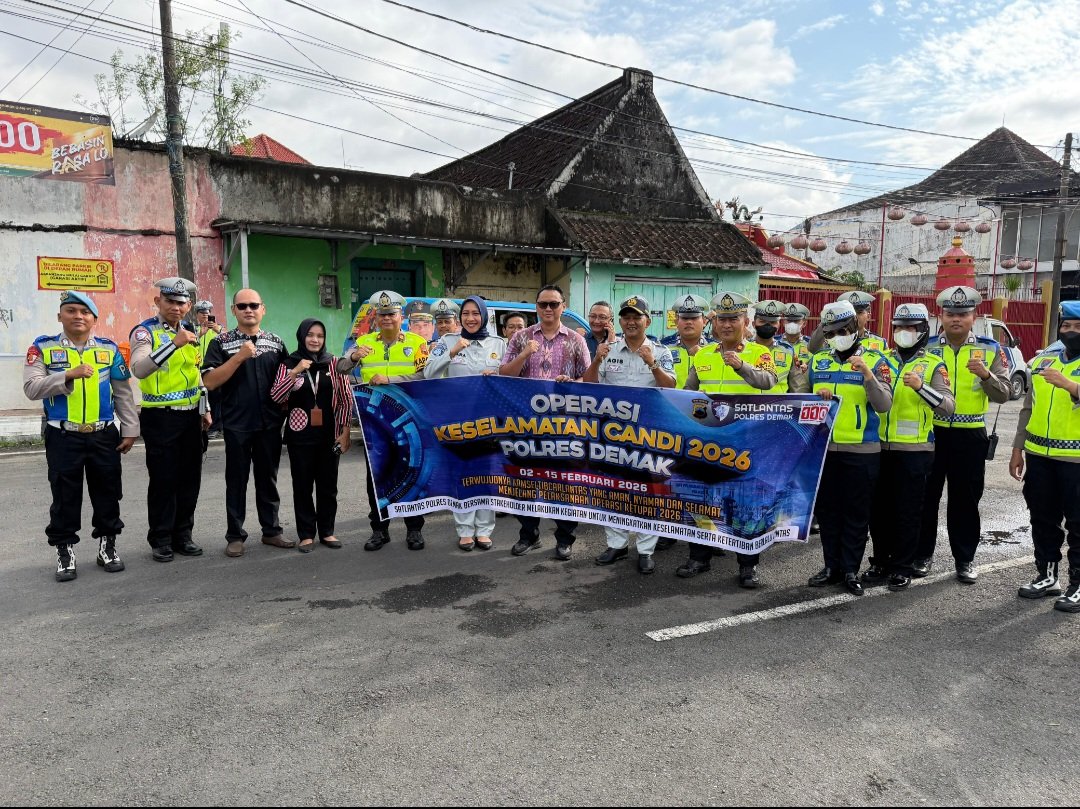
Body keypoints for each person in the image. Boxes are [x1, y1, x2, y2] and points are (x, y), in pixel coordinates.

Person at [23, 290, 138, 582]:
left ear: (94, 319)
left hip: (103, 434)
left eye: (85, 312)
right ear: (60, 316)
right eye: (71, 311)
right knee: (64, 495)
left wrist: (130, 429)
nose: (78, 316)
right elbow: (32, 388)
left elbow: (123, 393)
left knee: (108, 492)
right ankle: (65, 551)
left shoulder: (109, 350)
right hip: (63, 435)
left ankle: (107, 546)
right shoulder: (43, 348)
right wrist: (67, 375)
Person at [790, 301, 894, 596]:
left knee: (856, 514)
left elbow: (884, 405)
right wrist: (815, 397)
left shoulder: (876, 359)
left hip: (862, 450)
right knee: (829, 511)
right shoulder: (819, 361)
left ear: (856, 327)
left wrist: (868, 376)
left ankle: (850, 568)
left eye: (844, 329)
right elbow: (800, 401)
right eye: (832, 331)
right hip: (824, 450)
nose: (839, 335)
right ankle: (831, 566)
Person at [678, 291, 777, 587]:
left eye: (733, 318)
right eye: (721, 319)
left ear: (745, 321)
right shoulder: (704, 353)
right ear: (714, 323)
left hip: (746, 440)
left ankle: (748, 565)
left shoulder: (760, 352)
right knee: (704, 500)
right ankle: (699, 556)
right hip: (708, 441)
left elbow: (768, 381)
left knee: (746, 504)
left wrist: (741, 366)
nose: (727, 325)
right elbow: (688, 391)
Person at [915, 285, 1010, 583]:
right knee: (925, 498)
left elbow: (1004, 394)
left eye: (963, 314)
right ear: (940, 316)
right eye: (950, 313)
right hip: (931, 433)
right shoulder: (926, 348)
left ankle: (965, 559)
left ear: (974, 316)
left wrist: (985, 375)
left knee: (966, 500)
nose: (956, 319)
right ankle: (922, 555)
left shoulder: (991, 349)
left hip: (970, 436)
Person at [865, 303, 954, 591]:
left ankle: (902, 566)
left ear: (923, 331)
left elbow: (948, 407)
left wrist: (920, 387)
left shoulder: (933, 365)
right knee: (879, 510)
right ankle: (880, 561)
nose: (903, 332)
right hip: (879, 446)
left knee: (907, 511)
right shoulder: (881, 361)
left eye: (910, 327)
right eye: (899, 327)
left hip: (915, 451)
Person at [584, 295, 675, 573]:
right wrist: (597, 361)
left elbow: (671, 388)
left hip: (650, 436)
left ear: (647, 320)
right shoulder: (607, 349)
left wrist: (652, 363)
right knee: (613, 489)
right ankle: (617, 545)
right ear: (620, 321)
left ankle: (646, 550)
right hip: (614, 435)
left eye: (637, 317)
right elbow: (589, 385)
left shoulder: (660, 352)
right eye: (626, 317)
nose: (631, 322)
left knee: (648, 491)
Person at [500, 284, 590, 560]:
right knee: (524, 480)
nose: (548, 309)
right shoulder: (520, 338)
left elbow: (590, 381)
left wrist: (571, 383)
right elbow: (504, 374)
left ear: (563, 306)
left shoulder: (576, 339)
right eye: (543, 304)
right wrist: (525, 353)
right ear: (536, 308)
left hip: (564, 427)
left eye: (554, 304)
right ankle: (529, 535)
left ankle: (564, 538)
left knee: (564, 482)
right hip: (525, 425)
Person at [201, 289, 293, 558]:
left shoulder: (275, 343)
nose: (248, 310)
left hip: (269, 424)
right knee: (236, 480)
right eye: (242, 306)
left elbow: (286, 380)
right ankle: (235, 535)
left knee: (268, 479)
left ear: (263, 309)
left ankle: (271, 531)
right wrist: (239, 356)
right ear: (233, 310)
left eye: (254, 305)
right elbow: (210, 381)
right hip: (237, 424)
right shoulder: (221, 343)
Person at [129, 277, 209, 563]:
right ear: (158, 302)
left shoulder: (189, 331)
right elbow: (139, 369)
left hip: (190, 417)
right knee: (164, 480)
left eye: (181, 303)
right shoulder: (144, 332)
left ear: (188, 306)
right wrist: (173, 345)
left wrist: (205, 407)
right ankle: (161, 538)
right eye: (170, 302)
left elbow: (196, 373)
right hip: (160, 417)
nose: (176, 307)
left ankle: (183, 535)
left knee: (190, 479)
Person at [1009, 300, 1080, 612]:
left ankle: (1077, 584)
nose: (1071, 332)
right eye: (1066, 326)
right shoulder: (1044, 361)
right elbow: (1027, 408)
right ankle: (1047, 575)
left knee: (1078, 524)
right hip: (1038, 455)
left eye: (1078, 327)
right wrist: (1016, 450)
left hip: (1075, 461)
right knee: (1042, 518)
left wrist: (1069, 384)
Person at [425, 295, 506, 551]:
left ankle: (484, 530)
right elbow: (429, 373)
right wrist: (453, 351)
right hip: (458, 420)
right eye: (466, 314)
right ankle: (464, 531)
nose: (471, 318)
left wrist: (496, 375)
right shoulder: (446, 341)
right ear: (460, 318)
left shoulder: (498, 343)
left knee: (485, 474)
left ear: (484, 316)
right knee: (462, 475)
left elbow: (509, 376)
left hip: (489, 422)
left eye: (476, 313)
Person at [352, 290, 431, 551]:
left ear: (401, 317)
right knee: (376, 476)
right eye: (382, 314)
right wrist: (352, 357)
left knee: (411, 471)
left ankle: (414, 529)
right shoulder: (364, 341)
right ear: (376, 317)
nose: (387, 318)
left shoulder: (418, 343)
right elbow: (341, 368)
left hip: (407, 418)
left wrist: (392, 380)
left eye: (392, 314)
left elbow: (425, 378)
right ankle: (379, 529)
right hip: (374, 422)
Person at [270, 319, 355, 553]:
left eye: (319, 335)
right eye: (310, 335)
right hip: (300, 436)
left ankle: (327, 531)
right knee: (303, 485)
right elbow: (276, 396)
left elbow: (346, 399)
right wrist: (295, 372)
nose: (315, 340)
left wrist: (345, 431)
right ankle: (306, 534)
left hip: (330, 435)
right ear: (301, 336)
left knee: (328, 486)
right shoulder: (288, 363)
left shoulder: (334, 364)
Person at [660, 294, 713, 389]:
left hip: (705, 402)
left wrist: (704, 355)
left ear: (704, 321)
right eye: (684, 318)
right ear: (676, 321)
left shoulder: (715, 348)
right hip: (670, 402)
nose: (689, 322)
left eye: (694, 318)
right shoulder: (663, 347)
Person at [808, 291, 887, 353]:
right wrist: (829, 319)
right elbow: (813, 349)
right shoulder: (832, 339)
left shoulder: (879, 342)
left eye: (859, 312)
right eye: (850, 314)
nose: (854, 317)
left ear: (868, 316)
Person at [752, 299, 795, 393]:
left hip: (778, 406)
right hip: (748, 406)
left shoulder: (788, 350)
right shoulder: (744, 348)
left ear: (779, 325)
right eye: (762, 321)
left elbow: (795, 386)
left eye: (772, 322)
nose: (767, 325)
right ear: (753, 323)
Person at [780, 302, 812, 368]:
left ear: (804, 324)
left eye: (796, 321)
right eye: (789, 320)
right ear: (783, 322)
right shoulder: (775, 343)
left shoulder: (811, 345)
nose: (792, 324)